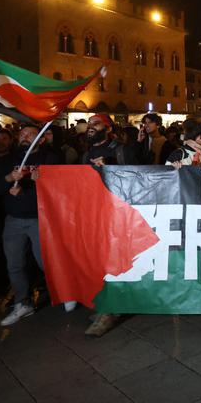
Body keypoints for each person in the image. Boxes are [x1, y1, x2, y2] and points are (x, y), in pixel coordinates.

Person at [0, 126, 62, 326]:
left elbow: (57, 190)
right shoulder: (8, 160)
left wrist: (29, 190)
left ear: (41, 140)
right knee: (14, 264)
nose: (24, 137)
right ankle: (23, 302)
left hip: (40, 219)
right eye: (21, 134)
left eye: (30, 134)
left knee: (45, 261)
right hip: (13, 221)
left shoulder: (50, 158)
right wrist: (9, 179)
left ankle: (64, 291)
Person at [81, 114, 137, 337]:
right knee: (99, 261)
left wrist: (110, 169)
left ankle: (110, 311)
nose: (91, 126)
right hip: (96, 213)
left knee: (115, 262)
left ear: (108, 127)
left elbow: (138, 179)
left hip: (118, 214)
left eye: (96, 123)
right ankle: (108, 303)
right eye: (89, 123)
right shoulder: (86, 154)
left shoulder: (122, 150)